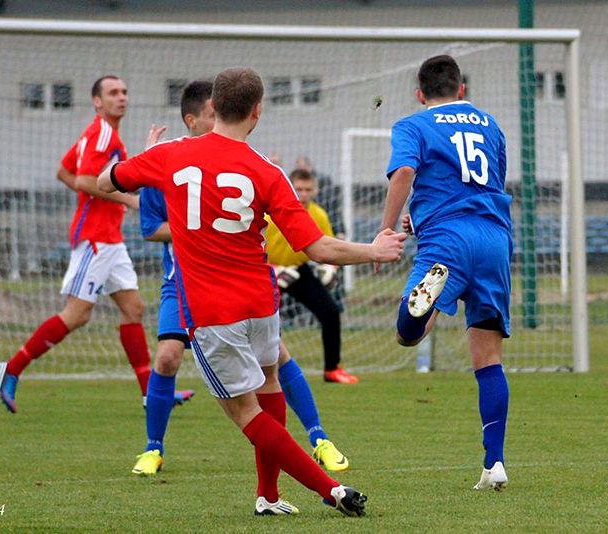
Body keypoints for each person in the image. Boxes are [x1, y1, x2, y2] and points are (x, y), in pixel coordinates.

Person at [99, 67, 406, 517]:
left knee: (245, 411)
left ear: (213, 107)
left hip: (212, 311)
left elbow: (108, 181)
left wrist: (143, 164)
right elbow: (318, 247)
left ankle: (330, 489)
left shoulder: (169, 155)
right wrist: (374, 248)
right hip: (262, 302)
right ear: (257, 112)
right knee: (270, 383)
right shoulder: (268, 172)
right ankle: (268, 495)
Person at [131, 80, 350, 477]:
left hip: (237, 281)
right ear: (192, 119)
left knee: (277, 358)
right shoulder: (165, 160)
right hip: (181, 281)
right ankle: (153, 448)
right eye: (213, 116)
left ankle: (319, 438)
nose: (222, 122)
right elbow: (149, 226)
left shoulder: (247, 162)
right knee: (166, 359)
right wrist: (193, 224)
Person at [379, 55, 512, 491]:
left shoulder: (413, 125)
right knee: (488, 359)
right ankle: (494, 464)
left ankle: (422, 304)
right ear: (461, 89)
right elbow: (487, 184)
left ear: (420, 94)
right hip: (493, 238)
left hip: (447, 241)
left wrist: (387, 227)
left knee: (407, 335)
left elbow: (404, 171)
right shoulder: (490, 125)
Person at [0, 76, 151, 414]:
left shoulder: (97, 132)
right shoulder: (103, 133)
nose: (121, 98)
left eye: (124, 92)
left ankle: (151, 393)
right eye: (113, 93)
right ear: (97, 101)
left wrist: (104, 200)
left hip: (110, 238)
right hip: (95, 238)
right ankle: (12, 367)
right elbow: (81, 179)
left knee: (133, 308)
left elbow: (64, 172)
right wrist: (127, 199)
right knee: (77, 314)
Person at [265, 168, 356, 384]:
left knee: (330, 312)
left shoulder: (319, 215)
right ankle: (257, 373)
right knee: (261, 322)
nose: (303, 194)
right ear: (291, 189)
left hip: (299, 271)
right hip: (267, 271)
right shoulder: (271, 213)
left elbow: (328, 246)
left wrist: (330, 270)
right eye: (299, 189)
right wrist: (274, 269)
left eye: (308, 189)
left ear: (315, 190)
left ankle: (332, 369)